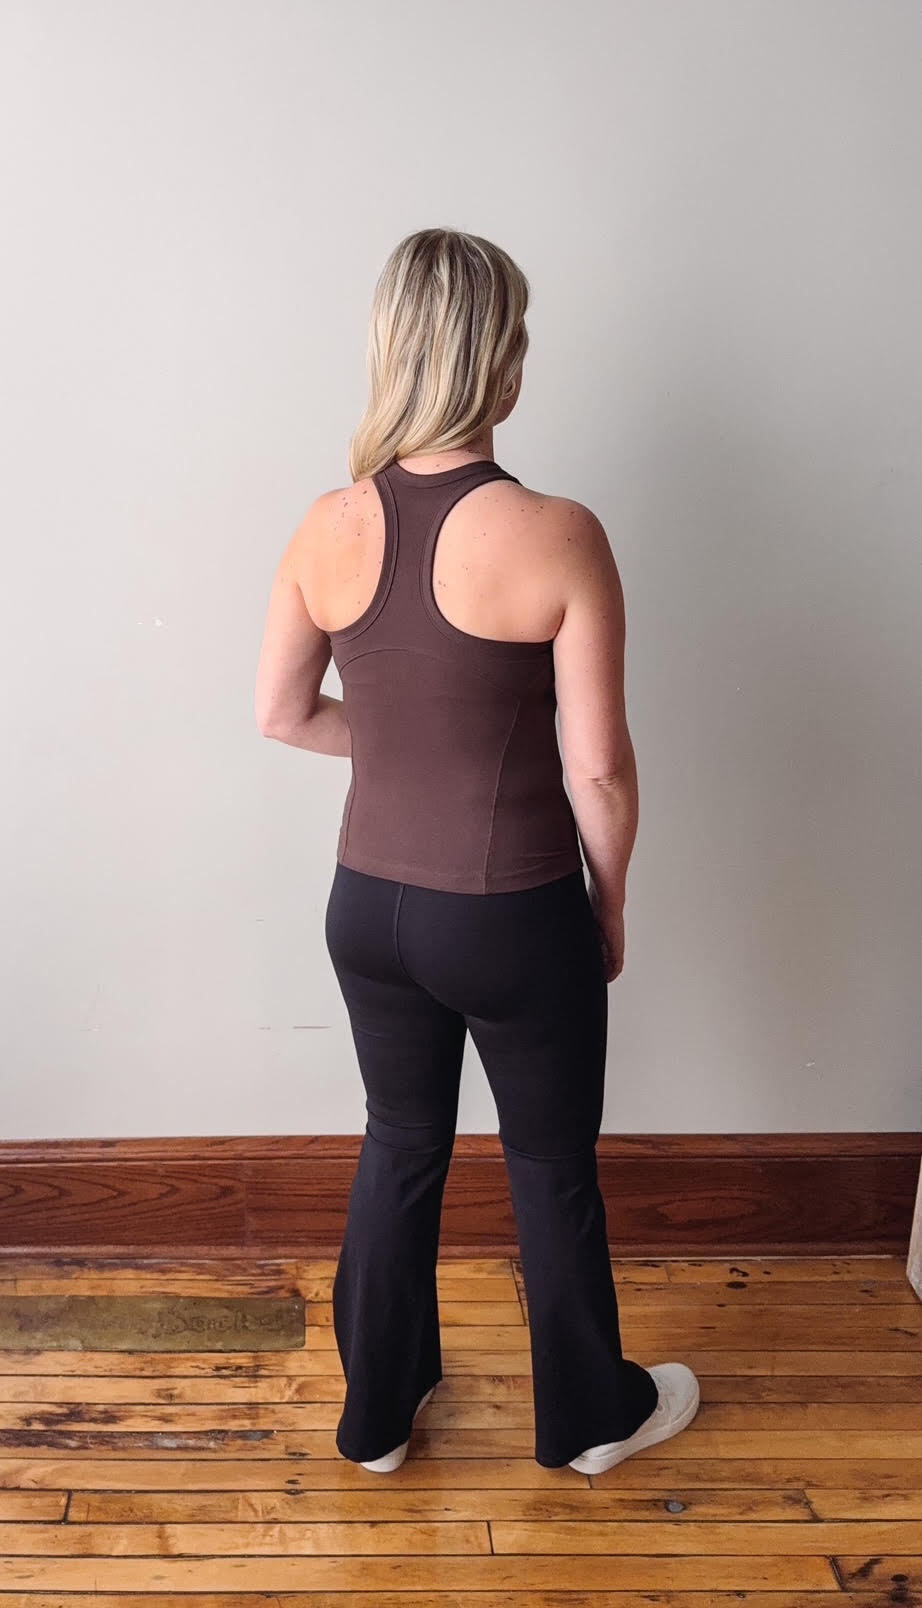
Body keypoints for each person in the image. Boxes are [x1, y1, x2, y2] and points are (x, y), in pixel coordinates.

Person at [254, 227, 700, 1473]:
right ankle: (589, 1421)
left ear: (393, 351)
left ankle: (376, 1419)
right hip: (509, 912)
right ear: (499, 361)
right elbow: (596, 767)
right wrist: (606, 906)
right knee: (548, 1159)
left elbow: (281, 713)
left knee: (400, 1142)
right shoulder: (556, 532)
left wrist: (402, 749)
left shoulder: (323, 524)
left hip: (366, 912)